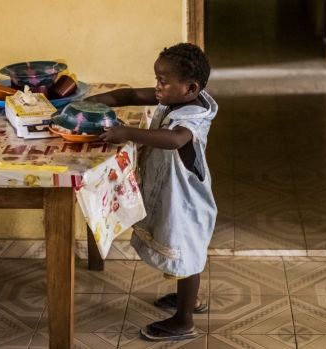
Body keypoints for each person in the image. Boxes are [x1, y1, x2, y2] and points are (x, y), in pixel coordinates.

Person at [85, 42, 217, 341]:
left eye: (163, 81)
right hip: (171, 192)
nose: (156, 86)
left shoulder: (193, 116)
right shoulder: (176, 98)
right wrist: (89, 104)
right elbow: (128, 94)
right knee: (181, 251)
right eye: (157, 78)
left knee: (186, 254)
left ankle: (184, 321)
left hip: (186, 200)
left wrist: (127, 133)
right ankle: (189, 299)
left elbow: (174, 139)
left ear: (190, 87)